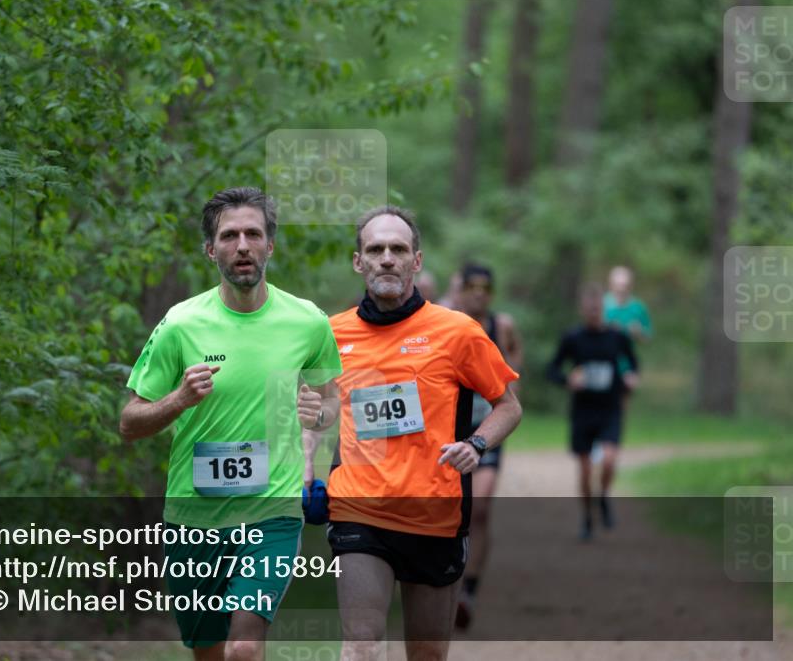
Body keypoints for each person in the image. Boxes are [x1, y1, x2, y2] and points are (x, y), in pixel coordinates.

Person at [119, 187, 343, 661]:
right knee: (210, 651)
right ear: (210, 249)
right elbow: (129, 422)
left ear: (270, 246)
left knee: (244, 646)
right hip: (193, 517)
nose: (242, 245)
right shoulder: (181, 324)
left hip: (272, 513)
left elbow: (330, 403)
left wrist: (317, 415)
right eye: (230, 235)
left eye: (253, 234)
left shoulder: (308, 322)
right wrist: (178, 399)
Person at [323, 206, 522, 661]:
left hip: (435, 514)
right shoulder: (331, 334)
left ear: (416, 260)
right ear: (359, 262)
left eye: (398, 249)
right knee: (360, 646)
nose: (387, 258)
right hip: (359, 510)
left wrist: (477, 443)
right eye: (375, 249)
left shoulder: (457, 332)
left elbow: (508, 406)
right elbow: (317, 413)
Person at [449, 264, 523, 630]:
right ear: (461, 289)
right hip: (449, 432)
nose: (480, 293)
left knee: (479, 509)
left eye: (486, 287)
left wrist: (508, 390)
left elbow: (515, 357)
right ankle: (444, 582)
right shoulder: (445, 322)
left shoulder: (502, 325)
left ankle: (469, 591)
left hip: (486, 432)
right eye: (472, 286)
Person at [546, 284, 639, 541]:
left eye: (597, 308)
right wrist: (568, 379)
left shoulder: (616, 337)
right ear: (582, 310)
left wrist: (631, 376)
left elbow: (632, 362)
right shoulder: (573, 338)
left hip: (610, 409)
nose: (593, 312)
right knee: (586, 470)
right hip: (583, 411)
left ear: (603, 308)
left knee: (609, 460)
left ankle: (603, 496)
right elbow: (552, 369)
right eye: (589, 308)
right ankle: (587, 517)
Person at [604, 266, 652, 343]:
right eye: (618, 285)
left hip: (628, 353)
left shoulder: (638, 307)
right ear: (610, 285)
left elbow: (648, 338)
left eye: (625, 285)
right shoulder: (600, 305)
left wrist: (639, 333)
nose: (621, 289)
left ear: (631, 286)